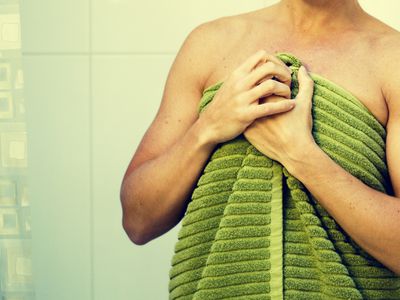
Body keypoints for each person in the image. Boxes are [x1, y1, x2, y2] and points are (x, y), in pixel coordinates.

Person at [120, 0, 400, 276]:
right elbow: (138, 220)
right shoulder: (209, 45)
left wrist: (302, 157)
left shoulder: (392, 59)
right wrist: (208, 127)